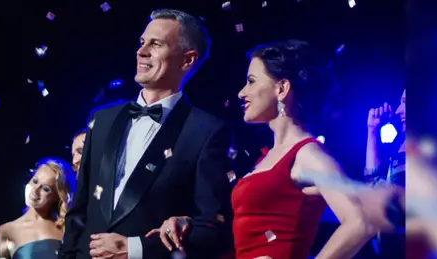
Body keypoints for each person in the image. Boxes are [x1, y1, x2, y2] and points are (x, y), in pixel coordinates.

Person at [148, 40, 376, 259]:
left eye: (251, 81)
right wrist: (191, 224)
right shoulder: (269, 156)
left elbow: (362, 221)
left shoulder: (308, 155)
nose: (241, 93)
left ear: (282, 88)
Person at [59, 8, 234, 259]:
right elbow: (79, 211)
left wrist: (136, 249)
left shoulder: (206, 132)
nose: (141, 51)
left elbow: (213, 228)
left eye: (156, 44)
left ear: (187, 60)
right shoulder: (102, 118)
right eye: (142, 42)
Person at [0, 158, 74, 259]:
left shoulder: (67, 229)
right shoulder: (6, 231)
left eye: (45, 188)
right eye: (35, 181)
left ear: (57, 196)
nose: (36, 189)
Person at [364, 90, 406, 258]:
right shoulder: (400, 148)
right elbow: (373, 190)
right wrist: (372, 130)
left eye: (405, 102)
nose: (398, 110)